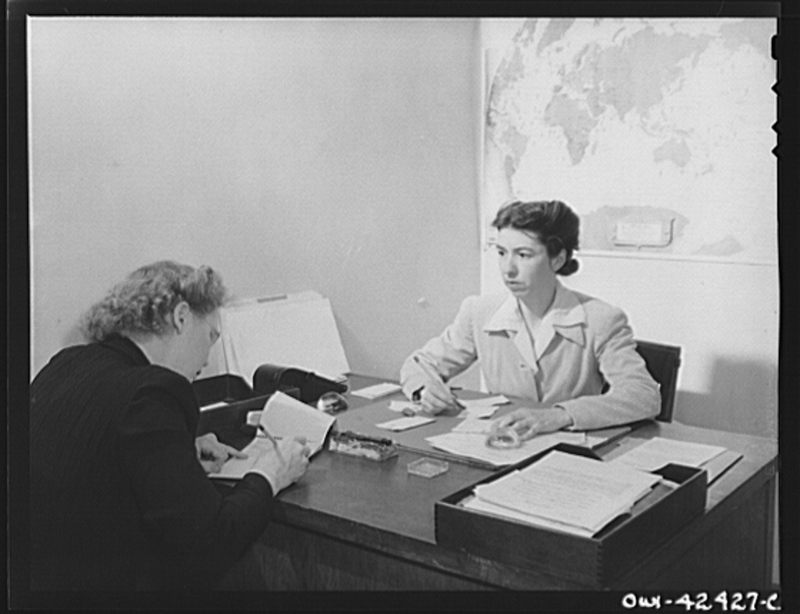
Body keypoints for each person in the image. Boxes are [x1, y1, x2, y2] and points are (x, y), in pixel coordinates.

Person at [29, 261, 311, 591]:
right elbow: (213, 541)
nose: (207, 362)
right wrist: (271, 473)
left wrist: (177, 450)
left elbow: (91, 461)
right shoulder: (153, 392)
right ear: (180, 317)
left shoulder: (66, 363)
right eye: (210, 336)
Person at [400, 200, 660, 439]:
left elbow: (644, 396)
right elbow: (420, 364)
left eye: (523, 255)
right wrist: (424, 390)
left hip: (569, 451)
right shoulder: (479, 311)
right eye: (501, 253)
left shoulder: (601, 319)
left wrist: (560, 415)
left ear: (558, 259)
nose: (508, 269)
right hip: (503, 446)